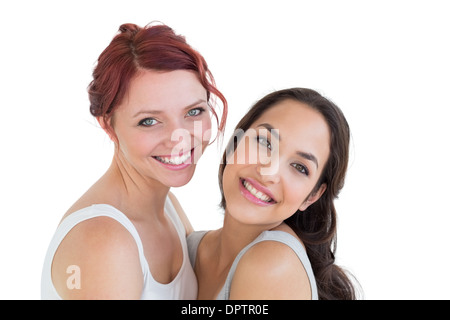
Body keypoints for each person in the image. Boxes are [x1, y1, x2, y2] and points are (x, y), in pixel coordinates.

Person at [41, 22, 227, 299]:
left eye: (194, 111)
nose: (180, 138)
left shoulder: (165, 205)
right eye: (149, 121)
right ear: (108, 125)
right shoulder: (103, 240)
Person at [188, 88, 357, 300]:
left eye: (299, 167)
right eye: (265, 142)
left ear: (312, 195)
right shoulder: (188, 247)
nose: (269, 172)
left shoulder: (273, 265)